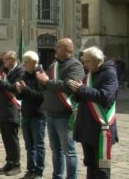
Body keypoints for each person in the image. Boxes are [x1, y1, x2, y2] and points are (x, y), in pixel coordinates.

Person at [36, 38, 85, 179]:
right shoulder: (53, 65)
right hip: (50, 113)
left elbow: (69, 85)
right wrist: (41, 80)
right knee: (55, 149)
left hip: (65, 114)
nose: (55, 49)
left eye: (58, 47)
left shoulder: (76, 66)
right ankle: (57, 176)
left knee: (69, 151)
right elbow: (45, 86)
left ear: (68, 50)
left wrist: (47, 81)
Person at [67, 46, 118, 179]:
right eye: (84, 61)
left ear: (97, 61)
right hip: (86, 128)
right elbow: (83, 96)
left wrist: (82, 89)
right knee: (90, 164)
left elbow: (105, 97)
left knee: (101, 167)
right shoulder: (89, 75)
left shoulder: (110, 74)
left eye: (87, 61)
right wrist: (76, 92)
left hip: (101, 128)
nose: (84, 64)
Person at [0, 51, 24, 176]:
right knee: (5, 137)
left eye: (6, 59)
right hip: (3, 108)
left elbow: (14, 89)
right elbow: (0, 88)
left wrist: (0, 81)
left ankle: (16, 164)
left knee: (12, 138)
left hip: (12, 108)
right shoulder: (5, 70)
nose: (3, 62)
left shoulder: (20, 71)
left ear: (13, 59)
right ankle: (9, 162)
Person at [15, 51, 46, 179]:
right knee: (29, 145)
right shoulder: (25, 75)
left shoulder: (41, 76)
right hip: (26, 113)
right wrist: (19, 91)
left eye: (26, 62)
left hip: (38, 115)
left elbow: (41, 97)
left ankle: (38, 171)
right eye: (24, 62)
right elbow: (21, 96)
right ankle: (30, 169)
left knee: (38, 144)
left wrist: (26, 89)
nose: (24, 65)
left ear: (34, 63)